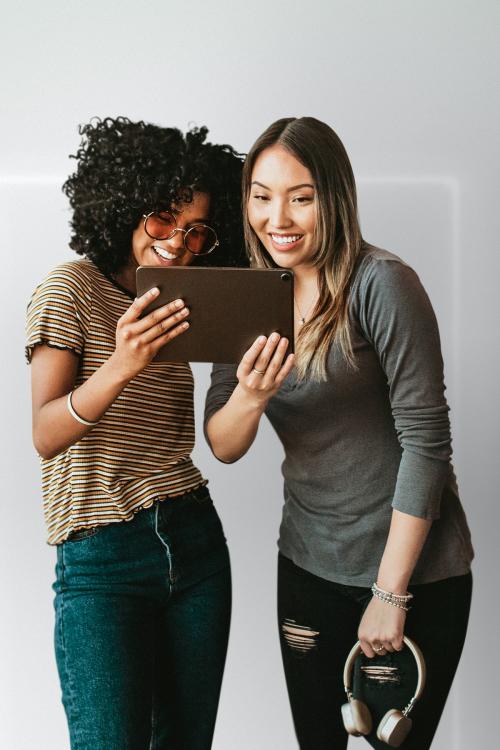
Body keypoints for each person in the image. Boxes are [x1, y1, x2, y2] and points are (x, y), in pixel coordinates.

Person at [204, 116, 474, 750]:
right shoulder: (246, 293)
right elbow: (223, 443)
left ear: (336, 196)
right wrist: (252, 393)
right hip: (306, 564)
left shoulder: (381, 284)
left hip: (414, 573)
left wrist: (390, 591)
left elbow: (427, 443)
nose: (280, 218)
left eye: (302, 196)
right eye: (262, 195)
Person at [26, 116, 245, 750]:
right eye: (161, 219)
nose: (178, 242)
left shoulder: (179, 303)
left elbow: (206, 440)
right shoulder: (70, 289)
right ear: (123, 203)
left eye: (196, 229)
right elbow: (44, 433)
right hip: (102, 561)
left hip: (195, 542)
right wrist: (123, 363)